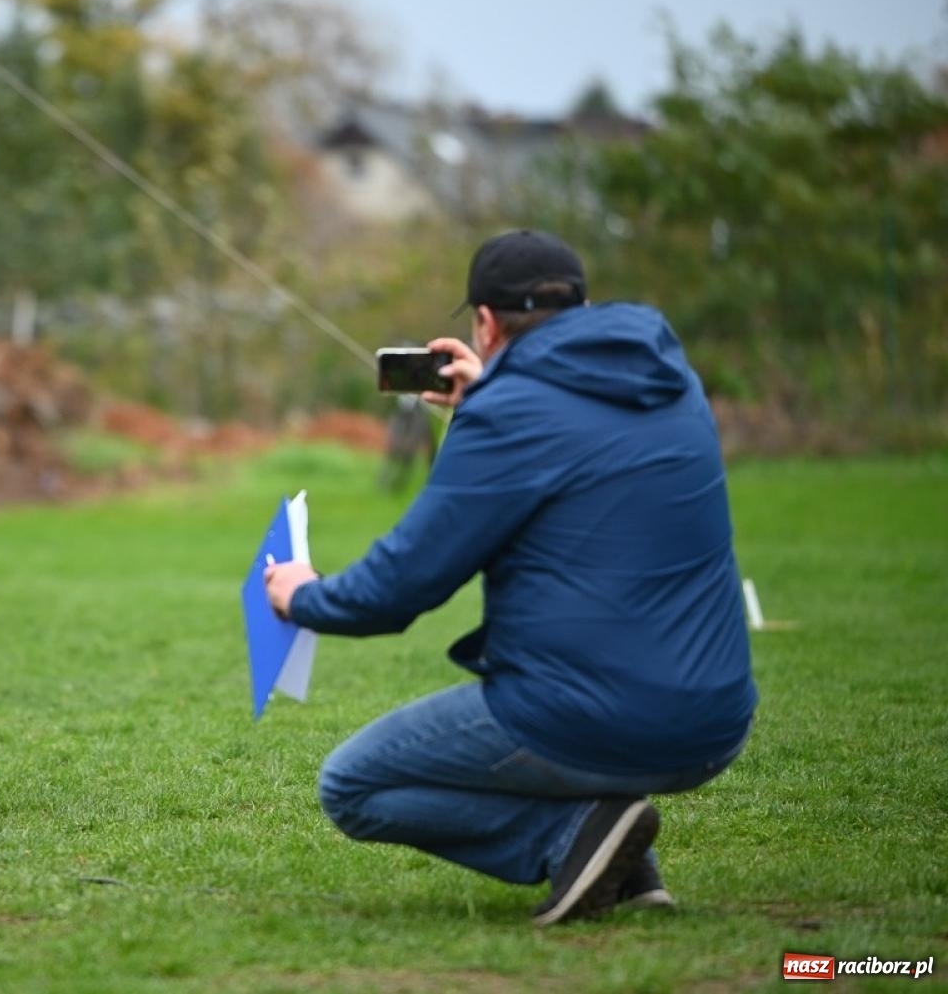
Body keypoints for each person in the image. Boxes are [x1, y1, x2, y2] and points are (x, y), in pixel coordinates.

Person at [264, 229, 757, 926]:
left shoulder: (512, 412)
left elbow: (403, 584)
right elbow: (572, 451)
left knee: (352, 784)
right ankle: (617, 850)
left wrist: (302, 595)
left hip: (596, 715)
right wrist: (487, 400)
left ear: (486, 323)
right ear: (581, 308)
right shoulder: (672, 382)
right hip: (717, 721)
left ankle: (568, 837)